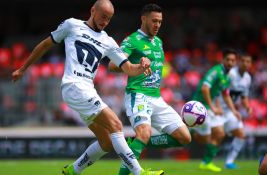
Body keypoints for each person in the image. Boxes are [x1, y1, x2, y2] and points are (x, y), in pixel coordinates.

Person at [12, 1, 164, 175]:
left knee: (106, 142)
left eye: (108, 19)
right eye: (102, 16)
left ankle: (73, 170)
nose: (105, 21)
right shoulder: (72, 25)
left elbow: (128, 68)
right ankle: (139, 173)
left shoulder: (108, 41)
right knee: (116, 124)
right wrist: (23, 69)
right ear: (93, 10)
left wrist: (141, 65)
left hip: (86, 91)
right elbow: (46, 44)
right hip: (74, 86)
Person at [108, 4, 191, 175]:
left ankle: (137, 143)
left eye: (160, 21)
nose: (157, 25)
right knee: (144, 133)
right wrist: (136, 65)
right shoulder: (132, 40)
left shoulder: (158, 42)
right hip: (138, 95)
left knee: (184, 137)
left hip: (156, 98)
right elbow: (112, 65)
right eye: (154, 21)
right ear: (143, 18)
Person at [192, 48, 242, 172]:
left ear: (235, 62)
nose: (230, 62)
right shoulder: (216, 71)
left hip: (209, 107)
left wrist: (234, 110)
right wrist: (213, 107)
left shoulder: (227, 77)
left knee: (219, 134)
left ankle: (206, 162)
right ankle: (192, 130)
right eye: (228, 59)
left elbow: (224, 94)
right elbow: (205, 89)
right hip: (200, 106)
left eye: (233, 60)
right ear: (223, 60)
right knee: (209, 136)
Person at [218, 54, 252, 169]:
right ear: (239, 62)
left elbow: (244, 96)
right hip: (219, 108)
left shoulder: (247, 78)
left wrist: (247, 107)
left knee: (241, 134)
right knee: (215, 135)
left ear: (250, 64)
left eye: (248, 62)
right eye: (243, 61)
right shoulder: (231, 74)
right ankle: (206, 161)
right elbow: (224, 93)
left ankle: (229, 162)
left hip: (230, 111)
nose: (245, 64)